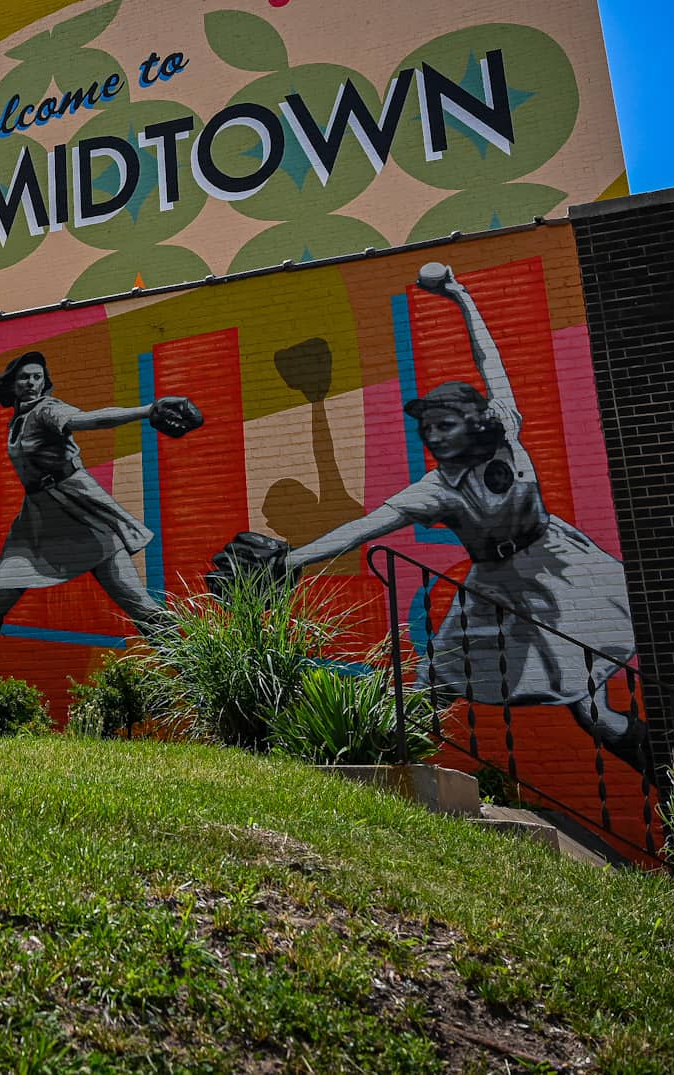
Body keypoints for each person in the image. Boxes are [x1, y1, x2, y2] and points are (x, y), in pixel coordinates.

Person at [261, 264, 641, 767]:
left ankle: (659, 762)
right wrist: (293, 561)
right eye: (428, 429)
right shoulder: (435, 489)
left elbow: (491, 362)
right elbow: (365, 526)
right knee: (437, 677)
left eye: (444, 425)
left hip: (560, 565)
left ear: (474, 423)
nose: (434, 436)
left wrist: (461, 297)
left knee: (591, 710)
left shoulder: (505, 432)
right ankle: (391, 764)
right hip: (496, 583)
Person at [0, 352, 202, 672]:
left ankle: (197, 668)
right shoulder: (17, 421)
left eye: (38, 377)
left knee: (137, 603)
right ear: (12, 384)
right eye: (25, 377)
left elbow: (91, 419)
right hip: (39, 519)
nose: (32, 383)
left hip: (78, 509)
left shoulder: (48, 410)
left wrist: (147, 410)